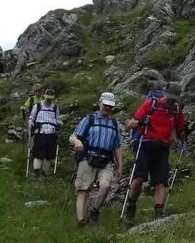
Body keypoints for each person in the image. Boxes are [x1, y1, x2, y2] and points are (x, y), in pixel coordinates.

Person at [125, 83, 187, 221]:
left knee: (161, 181)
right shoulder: (150, 104)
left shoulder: (176, 111)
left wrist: (186, 133)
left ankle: (159, 212)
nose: (171, 101)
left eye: (174, 99)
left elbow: (180, 132)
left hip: (162, 148)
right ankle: (131, 204)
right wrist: (141, 121)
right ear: (164, 94)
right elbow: (131, 124)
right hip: (145, 145)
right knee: (139, 178)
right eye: (170, 98)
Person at [69, 92, 124, 226]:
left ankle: (94, 211)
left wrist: (120, 166)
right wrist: (77, 142)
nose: (107, 108)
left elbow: (117, 146)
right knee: (83, 190)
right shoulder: (89, 119)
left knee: (105, 185)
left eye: (110, 107)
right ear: (100, 103)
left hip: (106, 160)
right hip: (87, 157)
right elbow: (73, 136)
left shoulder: (115, 124)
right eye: (105, 105)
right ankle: (81, 221)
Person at [28, 88, 63, 177]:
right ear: (45, 96)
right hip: (40, 132)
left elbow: (58, 119)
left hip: (52, 132)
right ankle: (36, 173)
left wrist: (60, 123)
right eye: (47, 97)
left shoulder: (55, 107)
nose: (49, 99)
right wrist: (31, 123)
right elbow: (31, 118)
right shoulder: (38, 105)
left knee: (50, 155)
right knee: (38, 153)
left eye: (50, 98)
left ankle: (45, 173)